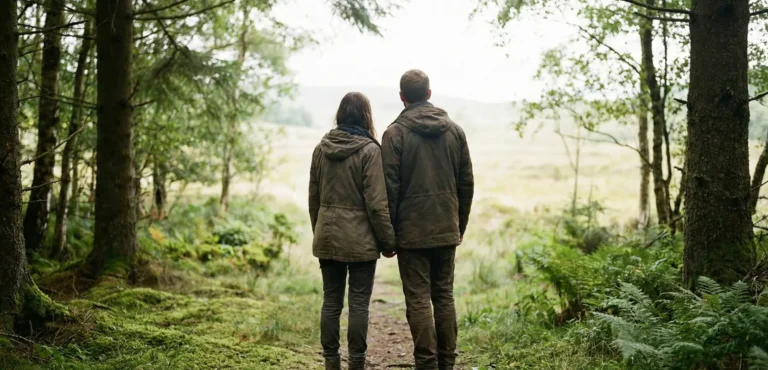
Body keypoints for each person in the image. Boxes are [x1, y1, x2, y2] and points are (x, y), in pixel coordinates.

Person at [381, 70, 474, 370]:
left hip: (411, 233)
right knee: (444, 296)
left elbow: (389, 189)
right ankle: (447, 363)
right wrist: (459, 225)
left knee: (418, 298)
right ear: (429, 94)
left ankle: (426, 364)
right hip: (446, 227)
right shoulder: (455, 131)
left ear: (402, 97)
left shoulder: (394, 135)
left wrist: (388, 236)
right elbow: (466, 184)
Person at [309, 92, 397, 370]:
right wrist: (388, 241)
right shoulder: (370, 151)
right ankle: (356, 363)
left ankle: (331, 362)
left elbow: (313, 198)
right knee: (358, 303)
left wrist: (319, 230)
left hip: (327, 235)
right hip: (360, 241)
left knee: (331, 302)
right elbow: (376, 204)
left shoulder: (321, 149)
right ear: (366, 116)